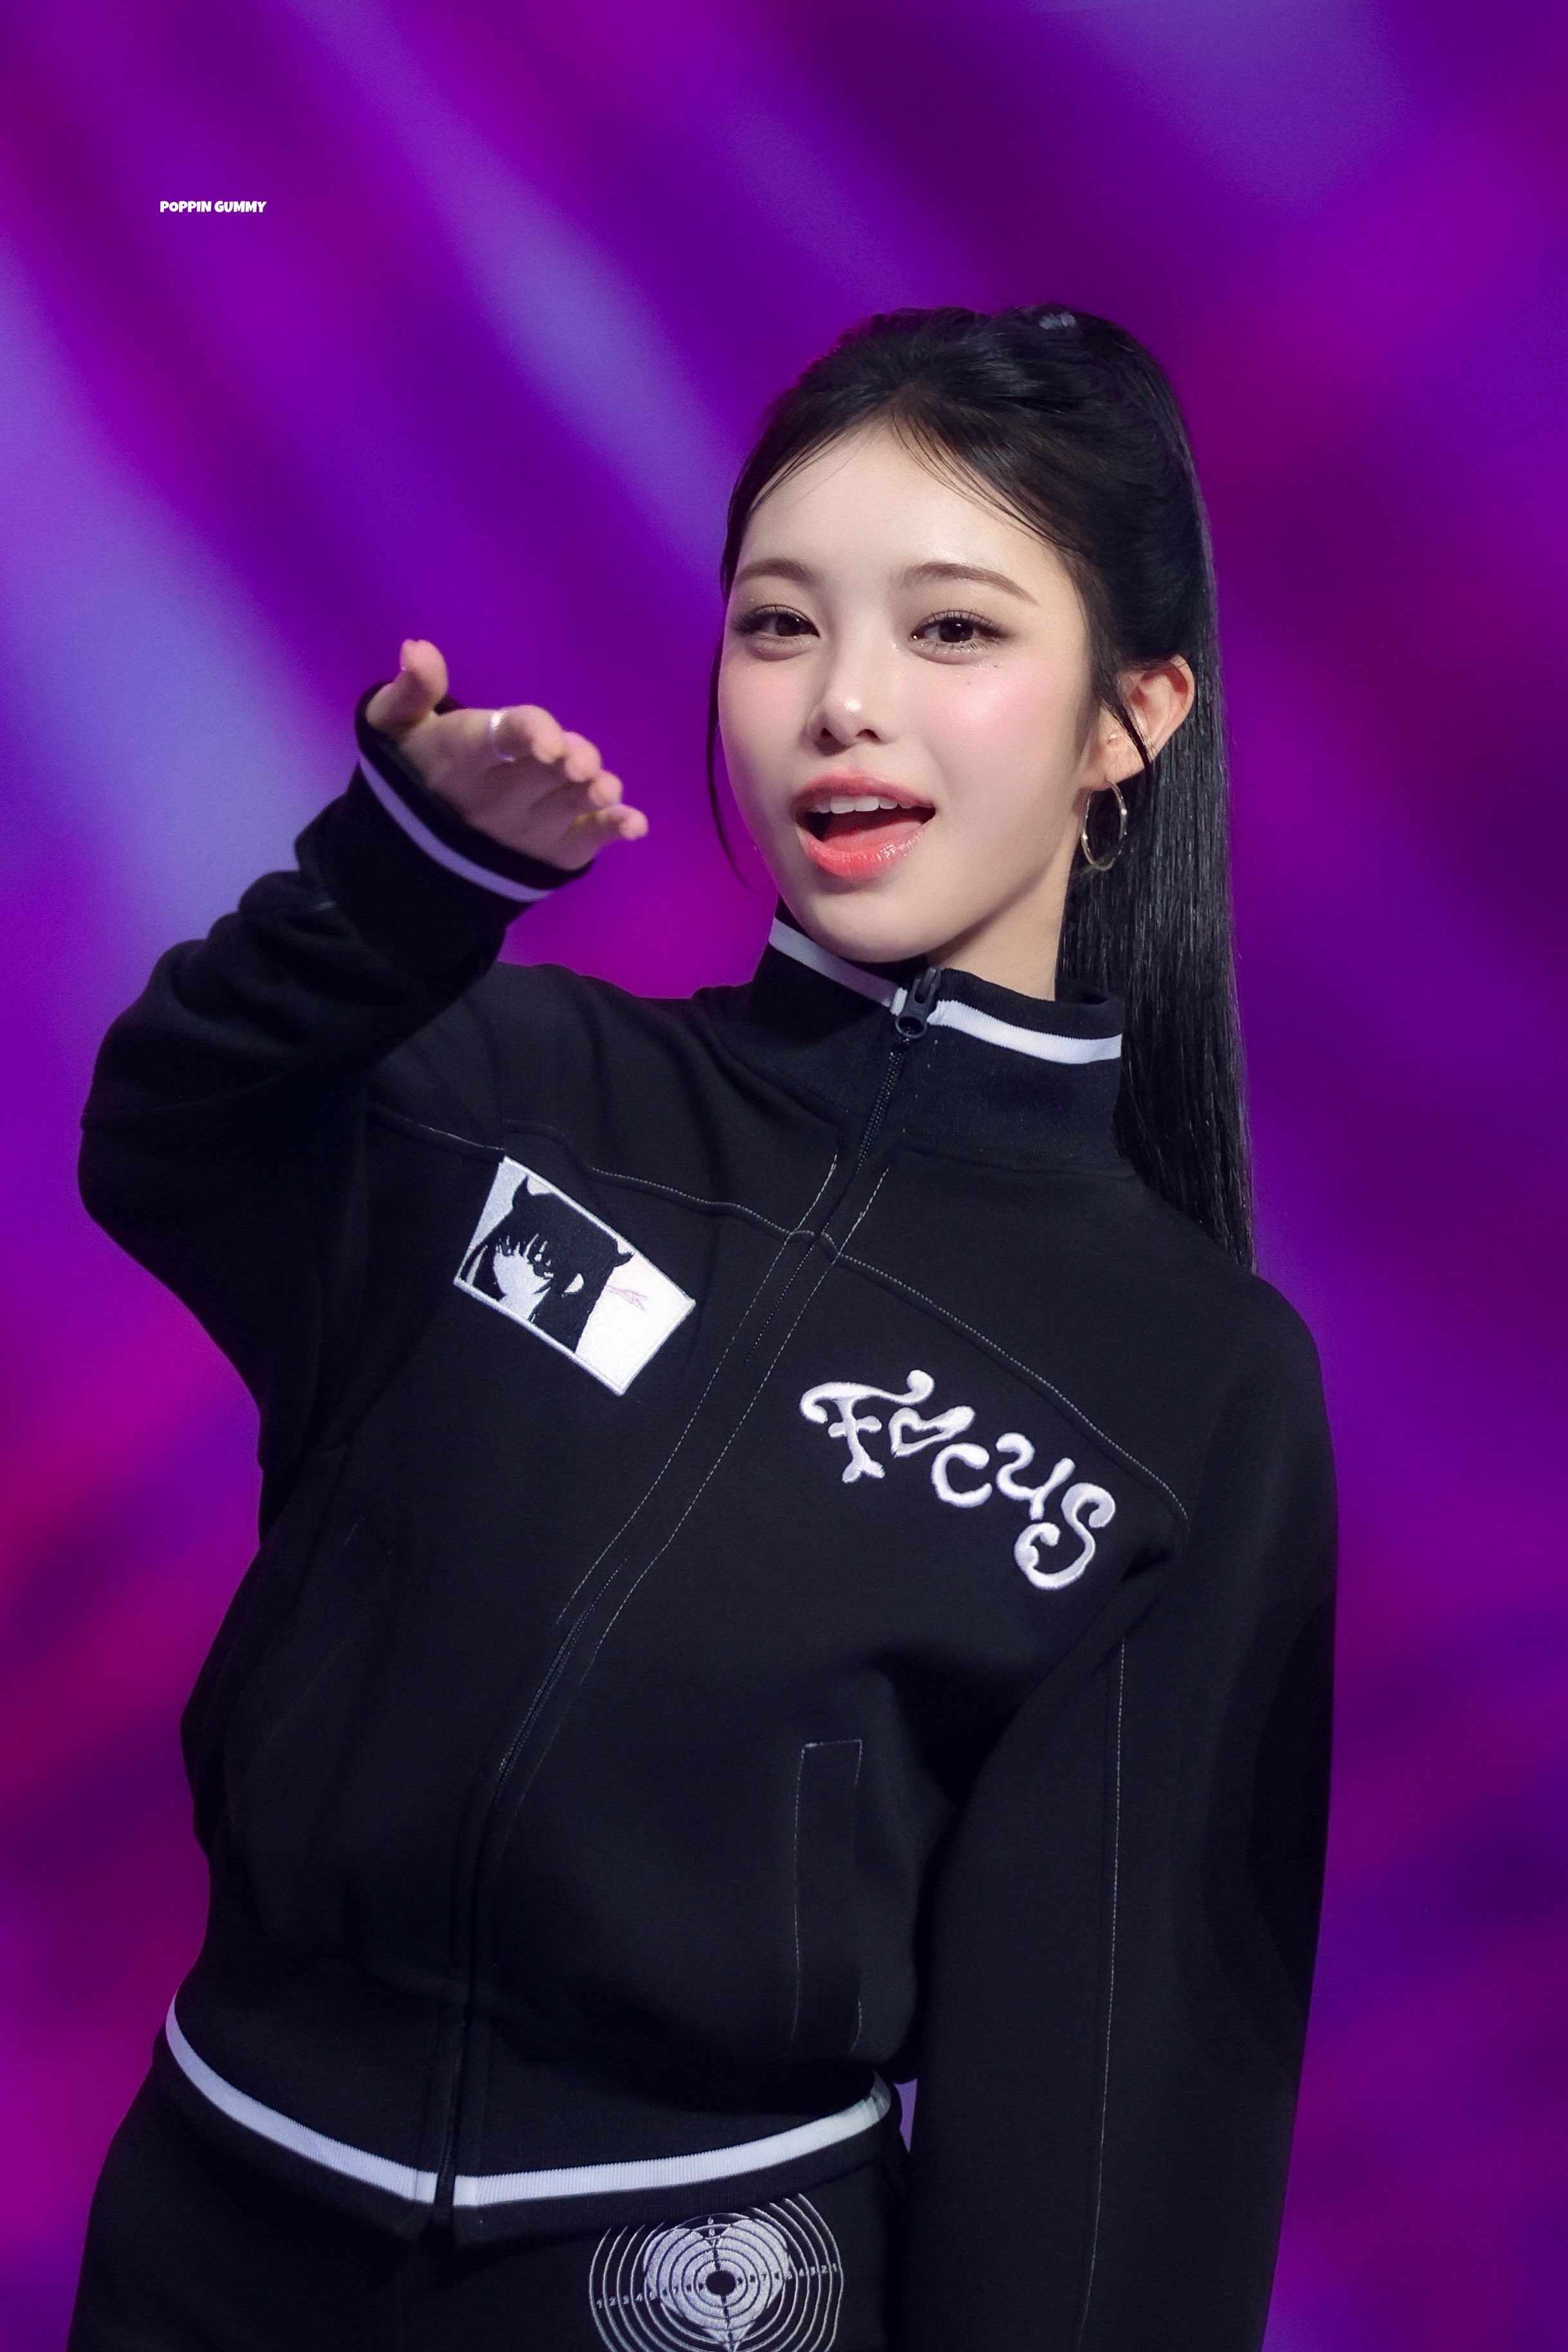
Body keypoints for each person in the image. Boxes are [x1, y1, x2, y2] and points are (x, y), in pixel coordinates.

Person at [68, 304, 1336, 2351]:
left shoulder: (1194, 1383)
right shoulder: (507, 1079)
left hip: (687, 2295)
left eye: (951, 630)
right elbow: (163, 1144)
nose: (844, 704)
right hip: (207, 2246)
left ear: (1133, 715)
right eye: (776, 626)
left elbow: (1115, 2145)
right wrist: (401, 883)